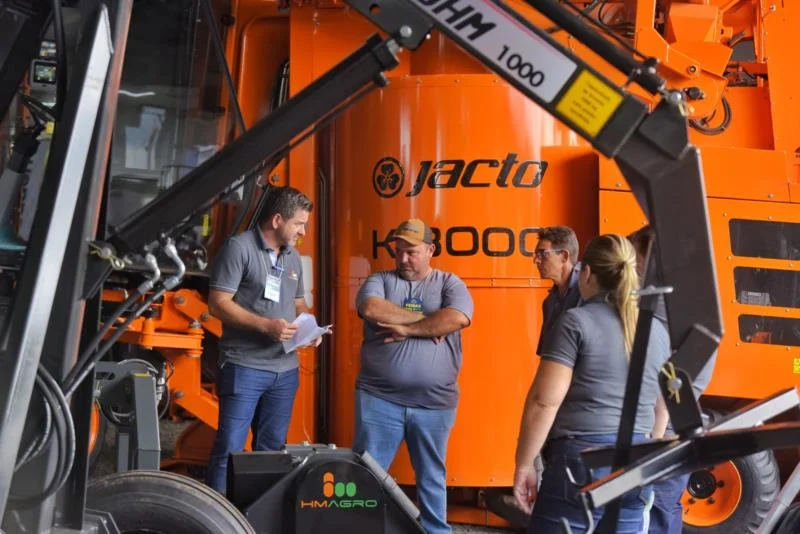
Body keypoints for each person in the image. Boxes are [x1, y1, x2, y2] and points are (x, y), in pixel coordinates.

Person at [513, 234, 671, 534]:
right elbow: (663, 402)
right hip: (637, 460)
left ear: (586, 273)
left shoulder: (575, 322)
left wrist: (525, 463)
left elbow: (544, 401)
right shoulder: (656, 330)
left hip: (582, 459)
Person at [353, 218, 474, 534]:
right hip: (379, 398)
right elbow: (371, 307)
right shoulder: (380, 279)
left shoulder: (449, 283)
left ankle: (436, 531)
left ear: (430, 250)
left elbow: (458, 317)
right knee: (367, 473)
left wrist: (407, 329)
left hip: (434, 403)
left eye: (412, 252)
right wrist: (427, 323)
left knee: (432, 476)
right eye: (399, 252)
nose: (403, 259)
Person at [205, 186, 322, 494]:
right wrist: (265, 326)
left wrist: (309, 327)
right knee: (229, 449)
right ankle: (218, 523)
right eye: (298, 224)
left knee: (271, 452)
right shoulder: (238, 248)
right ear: (277, 220)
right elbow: (217, 303)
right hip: (244, 367)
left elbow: (298, 304)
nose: (303, 231)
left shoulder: (293, 257)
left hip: (285, 371)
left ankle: (256, 519)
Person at [628, 225, 716, 534]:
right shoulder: (690, 301)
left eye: (636, 262)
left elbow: (669, 381)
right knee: (662, 511)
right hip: (671, 430)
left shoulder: (667, 309)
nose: (633, 271)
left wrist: (651, 439)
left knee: (653, 513)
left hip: (660, 433)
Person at [535, 226, 582, 355]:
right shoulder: (549, 302)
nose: (536, 260)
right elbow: (547, 354)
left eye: (543, 254)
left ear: (564, 256)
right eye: (536, 255)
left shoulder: (588, 292)